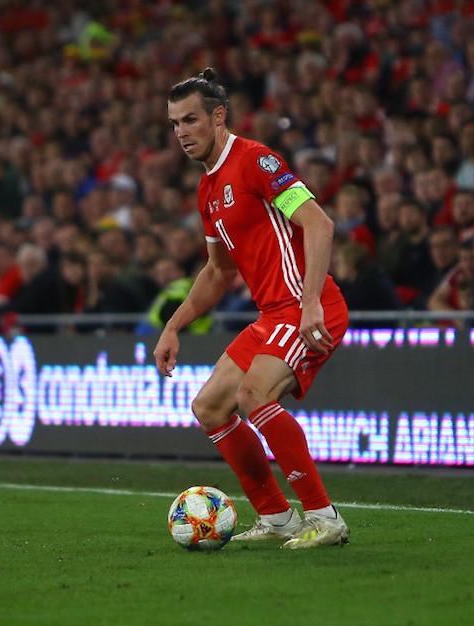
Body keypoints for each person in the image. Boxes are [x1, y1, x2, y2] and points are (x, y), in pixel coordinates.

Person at [154, 69, 350, 549]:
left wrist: (308, 306)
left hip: (310, 304)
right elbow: (218, 273)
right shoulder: (207, 191)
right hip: (273, 315)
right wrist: (174, 326)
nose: (181, 132)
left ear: (218, 117)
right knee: (210, 406)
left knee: (253, 394)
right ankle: (278, 519)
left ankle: (325, 519)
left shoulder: (257, 161)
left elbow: (319, 225)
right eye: (175, 123)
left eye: (191, 120)